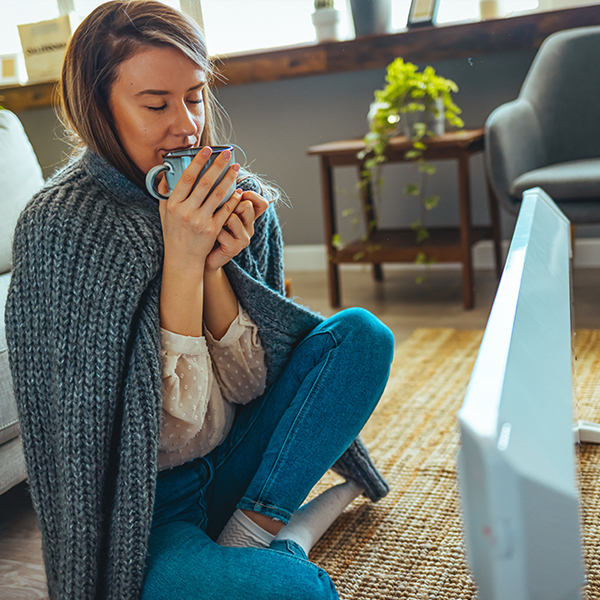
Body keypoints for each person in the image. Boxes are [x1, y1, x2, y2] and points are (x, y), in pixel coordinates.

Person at [4, 1, 395, 599]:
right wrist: (181, 258)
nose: (186, 126)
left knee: (362, 336)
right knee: (295, 592)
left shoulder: (237, 197)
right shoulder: (60, 228)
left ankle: (252, 528)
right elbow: (160, 433)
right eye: (156, 104)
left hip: (236, 462)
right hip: (149, 510)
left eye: (195, 96)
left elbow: (249, 388)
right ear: (100, 111)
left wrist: (215, 267)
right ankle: (282, 541)